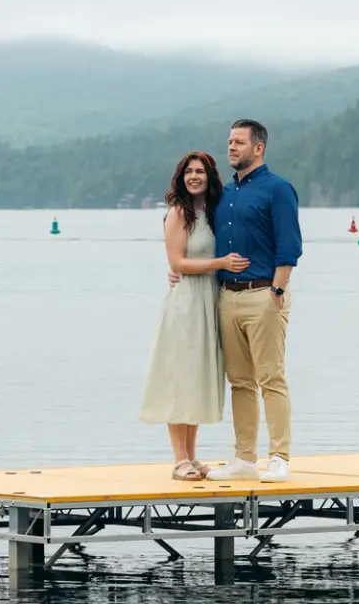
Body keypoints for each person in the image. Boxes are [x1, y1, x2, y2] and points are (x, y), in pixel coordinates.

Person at [139, 151, 249, 480]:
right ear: (181, 177)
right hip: (186, 303)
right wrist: (220, 264)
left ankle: (192, 455)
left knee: (198, 377)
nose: (194, 176)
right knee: (180, 377)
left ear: (209, 176)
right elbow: (178, 264)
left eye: (200, 171)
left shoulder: (214, 212)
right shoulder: (178, 213)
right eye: (189, 171)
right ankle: (179, 459)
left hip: (210, 301)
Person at [206, 119, 302, 483]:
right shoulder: (226, 193)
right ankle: (244, 458)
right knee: (240, 382)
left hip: (264, 294)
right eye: (229, 141)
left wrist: (276, 291)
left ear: (258, 148)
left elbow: (289, 246)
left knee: (271, 378)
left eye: (239, 142)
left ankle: (280, 456)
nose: (231, 147)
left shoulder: (278, 189)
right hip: (227, 297)